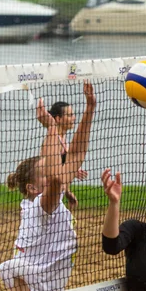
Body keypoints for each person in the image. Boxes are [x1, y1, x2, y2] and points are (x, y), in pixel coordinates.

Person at [0, 83, 96, 291]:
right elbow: (56, 176)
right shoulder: (41, 207)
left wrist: (90, 109)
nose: (52, 169)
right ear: (33, 188)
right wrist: (52, 127)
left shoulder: (48, 200)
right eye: (43, 172)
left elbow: (76, 153)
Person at [41, 82, 96, 210]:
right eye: (70, 115)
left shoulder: (63, 140)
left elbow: (59, 172)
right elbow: (47, 176)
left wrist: (70, 172)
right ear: (58, 119)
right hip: (46, 201)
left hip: (56, 197)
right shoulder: (52, 144)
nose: (74, 118)